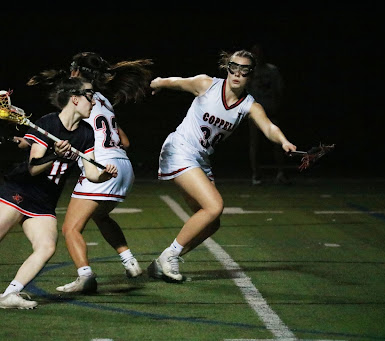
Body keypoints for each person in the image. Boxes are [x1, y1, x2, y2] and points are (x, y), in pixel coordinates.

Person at [0, 73, 118, 309]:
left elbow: (91, 173)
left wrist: (104, 174)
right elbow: (33, 168)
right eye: (90, 95)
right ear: (75, 99)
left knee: (47, 247)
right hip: (20, 191)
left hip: (44, 201)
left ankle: (9, 295)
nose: (94, 101)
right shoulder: (47, 124)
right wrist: (55, 154)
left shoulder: (86, 133)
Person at [147, 49, 297, 283]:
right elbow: (177, 82)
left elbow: (268, 128)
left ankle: (162, 262)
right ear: (227, 68)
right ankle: (171, 255)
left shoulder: (249, 105)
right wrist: (158, 82)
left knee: (211, 222)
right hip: (180, 149)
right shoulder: (207, 84)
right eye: (233, 67)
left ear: (251, 75)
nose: (237, 73)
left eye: (244, 70)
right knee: (214, 206)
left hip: (201, 159)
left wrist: (284, 141)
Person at [40, 52, 153, 293]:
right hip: (124, 167)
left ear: (77, 72)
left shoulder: (75, 98)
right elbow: (125, 141)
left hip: (102, 167)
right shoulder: (102, 99)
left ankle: (85, 276)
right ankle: (129, 261)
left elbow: (64, 129)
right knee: (101, 216)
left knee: (70, 228)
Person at [246, 43, 289, 185]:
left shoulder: (272, 70)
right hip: (256, 113)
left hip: (271, 111)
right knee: (255, 144)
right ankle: (256, 174)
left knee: (278, 142)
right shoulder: (249, 71)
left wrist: (276, 106)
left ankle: (281, 173)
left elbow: (280, 90)